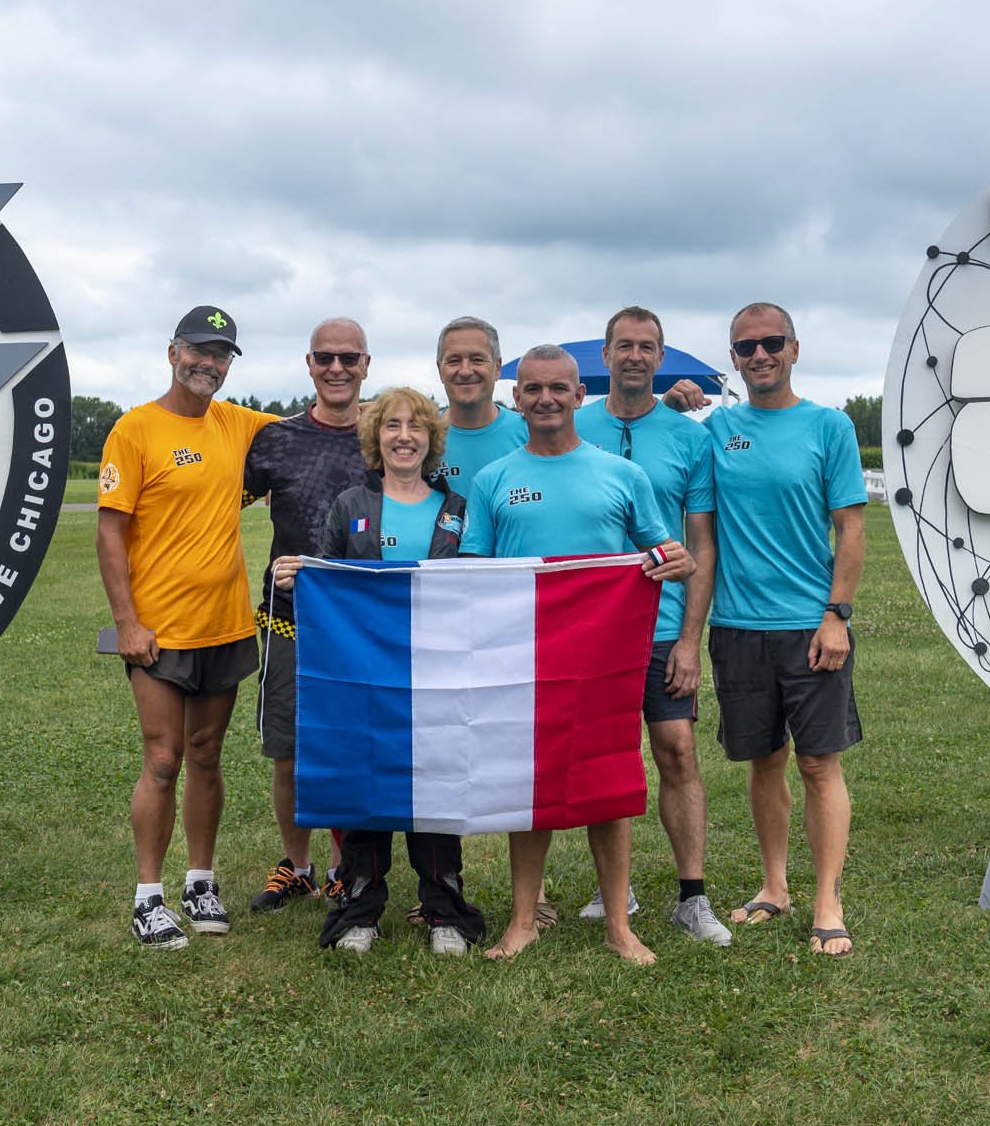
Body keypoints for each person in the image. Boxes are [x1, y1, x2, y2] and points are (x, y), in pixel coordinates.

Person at [461, 344, 692, 964]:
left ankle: (619, 924)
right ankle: (522, 921)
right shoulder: (495, 480)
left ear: (578, 394)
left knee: (608, 785)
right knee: (528, 787)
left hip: (602, 659)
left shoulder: (622, 475)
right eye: (532, 390)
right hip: (524, 659)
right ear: (517, 399)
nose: (545, 400)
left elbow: (665, 550)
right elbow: (474, 572)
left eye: (558, 389)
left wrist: (679, 561)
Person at [272, 387, 488, 956]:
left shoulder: (457, 510)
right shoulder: (349, 506)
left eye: (416, 426)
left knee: (437, 784)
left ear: (431, 439)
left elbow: (477, 589)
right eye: (391, 425)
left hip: (436, 675)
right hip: (365, 675)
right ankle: (360, 908)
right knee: (367, 783)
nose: (403, 436)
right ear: (376, 437)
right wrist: (301, 575)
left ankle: (444, 907)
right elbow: (324, 578)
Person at [97, 306, 281, 950]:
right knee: (163, 758)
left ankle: (200, 882)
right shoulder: (135, 429)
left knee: (206, 756)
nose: (210, 363)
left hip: (225, 626)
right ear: (173, 352)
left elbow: (318, 429)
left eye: (222, 354)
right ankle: (148, 897)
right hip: (159, 632)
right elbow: (110, 532)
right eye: (200, 350)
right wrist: (127, 622)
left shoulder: (239, 425)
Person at [706, 302, 868, 957]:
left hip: (810, 625)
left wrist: (837, 615)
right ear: (734, 359)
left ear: (794, 349)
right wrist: (675, 393)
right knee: (765, 761)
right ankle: (775, 886)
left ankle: (827, 897)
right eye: (746, 347)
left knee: (819, 763)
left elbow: (851, 528)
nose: (760, 355)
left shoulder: (828, 427)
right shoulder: (718, 430)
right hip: (737, 626)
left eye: (771, 343)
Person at [572, 306, 731, 945]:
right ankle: (617, 890)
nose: (635, 356)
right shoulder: (572, 423)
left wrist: (691, 640)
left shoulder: (690, 438)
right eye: (624, 346)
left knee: (678, 751)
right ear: (605, 356)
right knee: (602, 759)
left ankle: (692, 896)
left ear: (660, 359)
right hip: (590, 629)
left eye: (647, 347)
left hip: (662, 626)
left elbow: (702, 544)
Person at [240, 319, 373, 914]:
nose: (337, 368)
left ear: (367, 363)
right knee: (289, 750)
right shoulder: (275, 439)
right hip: (291, 620)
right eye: (326, 358)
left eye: (349, 358)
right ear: (309, 363)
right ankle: (298, 866)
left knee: (351, 747)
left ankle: (350, 867)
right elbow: (218, 503)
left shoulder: (386, 434)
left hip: (363, 624)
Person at [432, 316, 528, 503]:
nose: (466, 371)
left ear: (497, 368)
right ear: (440, 370)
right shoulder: (419, 436)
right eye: (454, 360)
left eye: (477, 359)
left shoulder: (529, 433)